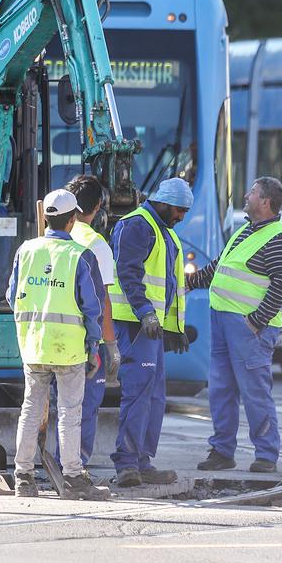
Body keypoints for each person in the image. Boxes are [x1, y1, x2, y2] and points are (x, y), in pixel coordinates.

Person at [187, 177, 282, 475]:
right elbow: (219, 267)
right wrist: (190, 282)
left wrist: (256, 321)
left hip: (249, 329)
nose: (246, 196)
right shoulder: (245, 231)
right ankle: (222, 451)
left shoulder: (280, 240)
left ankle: (266, 454)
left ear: (265, 202)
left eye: (252, 192)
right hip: (224, 322)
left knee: (255, 392)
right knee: (220, 390)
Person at [10, 188, 110, 500]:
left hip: (34, 345)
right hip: (69, 349)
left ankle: (23, 477)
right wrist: (94, 346)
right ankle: (73, 478)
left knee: (30, 408)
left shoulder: (25, 251)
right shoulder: (82, 256)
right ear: (72, 220)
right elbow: (93, 307)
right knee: (69, 412)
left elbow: (12, 293)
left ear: (46, 218)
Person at [108, 176, 193, 488]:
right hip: (134, 325)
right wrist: (145, 313)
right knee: (139, 393)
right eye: (180, 210)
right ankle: (127, 464)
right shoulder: (137, 225)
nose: (181, 217)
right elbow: (128, 273)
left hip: (150, 329)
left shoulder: (162, 231)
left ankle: (142, 460)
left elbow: (168, 284)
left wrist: (174, 330)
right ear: (165, 203)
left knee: (154, 397)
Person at [60, 174, 119, 470]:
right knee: (84, 405)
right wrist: (111, 345)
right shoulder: (97, 245)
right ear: (98, 207)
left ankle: (55, 462)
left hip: (47, 339)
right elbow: (103, 301)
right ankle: (76, 464)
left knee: (53, 404)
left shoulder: (47, 239)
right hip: (84, 341)